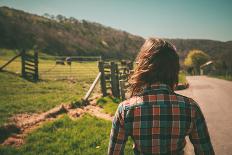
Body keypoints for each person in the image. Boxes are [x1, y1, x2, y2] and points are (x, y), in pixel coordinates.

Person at [108, 38, 214, 155]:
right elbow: (206, 151)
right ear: (174, 69)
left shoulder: (125, 109)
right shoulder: (191, 107)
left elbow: (114, 153)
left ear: (142, 67)